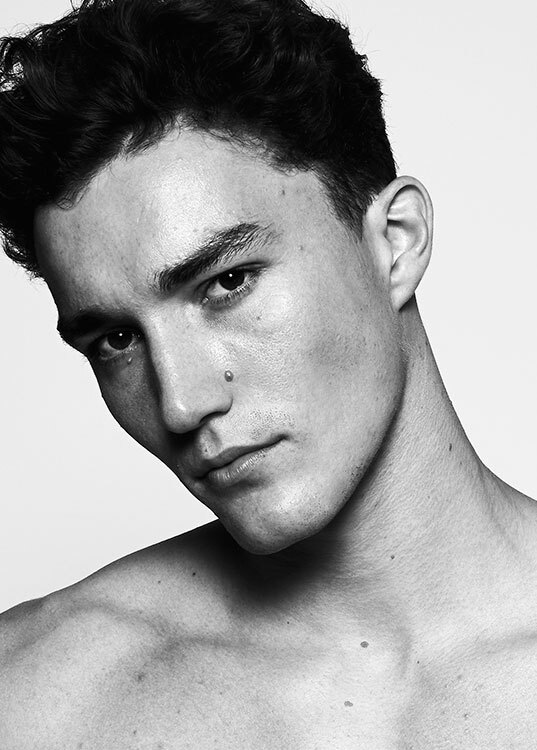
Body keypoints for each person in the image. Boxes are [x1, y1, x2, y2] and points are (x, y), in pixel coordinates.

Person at [0, 0, 536, 746]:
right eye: (117, 339)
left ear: (396, 241)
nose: (181, 403)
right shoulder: (36, 697)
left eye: (227, 283)